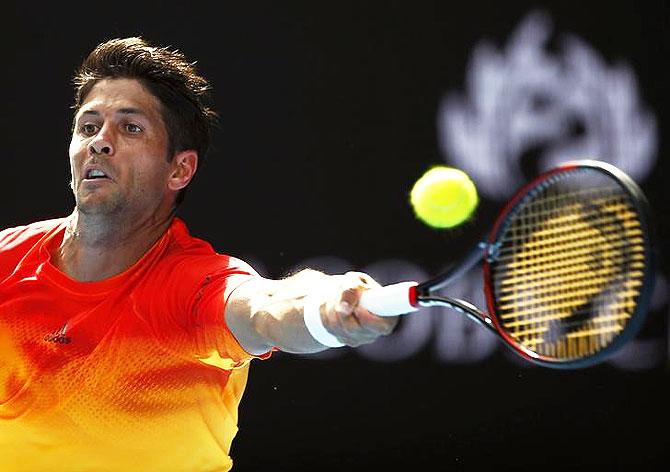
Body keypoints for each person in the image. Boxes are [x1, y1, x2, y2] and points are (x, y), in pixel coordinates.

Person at [0, 37, 398, 472]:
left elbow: (265, 307)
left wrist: (325, 306)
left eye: (130, 128)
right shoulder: (7, 260)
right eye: (88, 126)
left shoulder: (193, 287)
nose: (100, 142)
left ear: (180, 169)